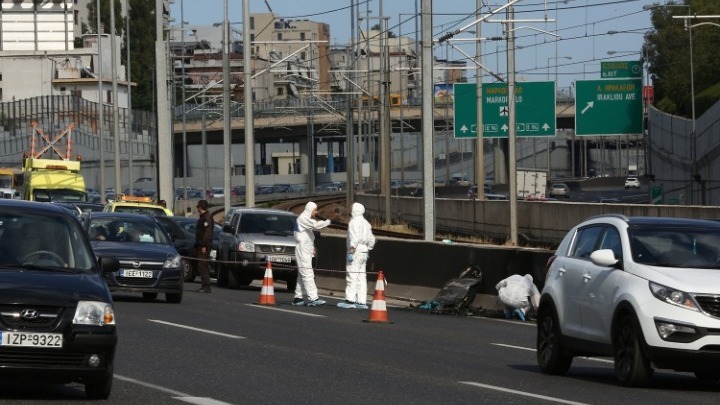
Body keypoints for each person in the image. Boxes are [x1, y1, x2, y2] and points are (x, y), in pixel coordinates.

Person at [292, 201, 331, 306]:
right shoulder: (303, 218)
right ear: (310, 210)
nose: (316, 212)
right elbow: (316, 225)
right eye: (315, 210)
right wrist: (327, 222)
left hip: (306, 250)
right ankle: (313, 298)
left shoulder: (304, 218)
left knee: (302, 274)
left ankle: (298, 297)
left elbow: (309, 235)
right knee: (308, 274)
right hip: (303, 250)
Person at [338, 202, 375, 309]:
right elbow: (372, 239)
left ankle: (350, 300)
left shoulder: (353, 222)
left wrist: (351, 250)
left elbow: (354, 237)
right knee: (362, 277)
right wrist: (368, 249)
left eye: (351, 208)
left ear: (354, 210)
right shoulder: (366, 223)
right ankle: (361, 301)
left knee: (352, 276)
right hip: (364, 252)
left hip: (355, 251)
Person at [195, 199, 214, 293]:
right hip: (200, 245)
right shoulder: (202, 217)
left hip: (204, 246)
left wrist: (204, 246)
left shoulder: (207, 218)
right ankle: (204, 285)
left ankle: (206, 286)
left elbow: (207, 233)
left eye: (198, 206)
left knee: (203, 266)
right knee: (201, 266)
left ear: (200, 207)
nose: (197, 208)